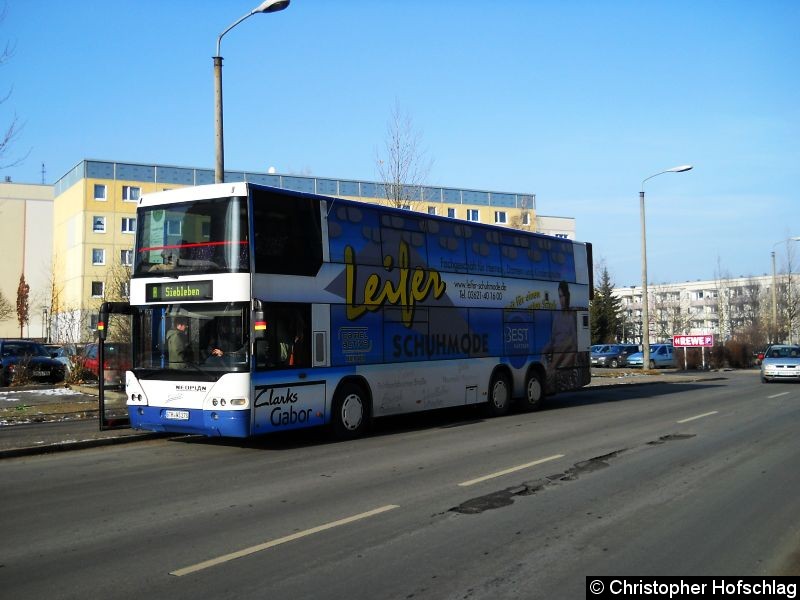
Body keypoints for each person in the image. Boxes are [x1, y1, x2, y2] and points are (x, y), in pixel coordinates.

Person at [542, 281, 578, 390]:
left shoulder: (572, 317)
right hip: (555, 361)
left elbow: (574, 346)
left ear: (568, 296)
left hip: (564, 362)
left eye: (563, 296)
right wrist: (543, 351)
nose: (562, 300)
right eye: (560, 296)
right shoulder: (557, 317)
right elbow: (553, 341)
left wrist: (558, 367)